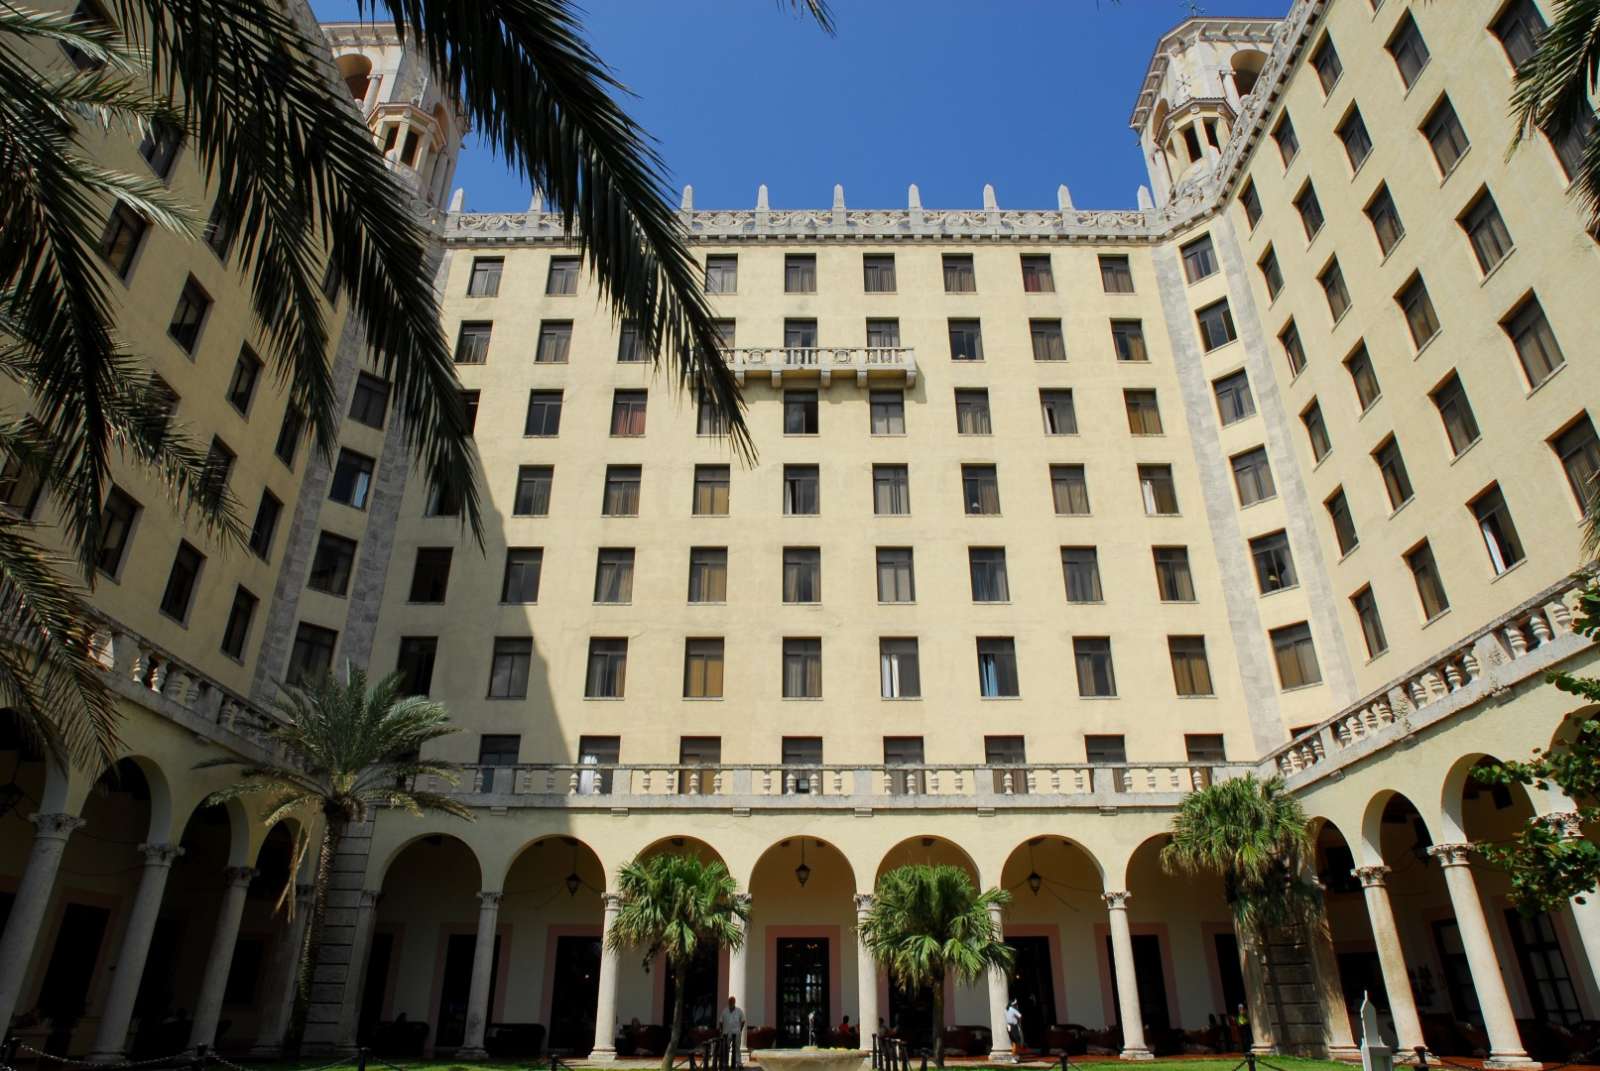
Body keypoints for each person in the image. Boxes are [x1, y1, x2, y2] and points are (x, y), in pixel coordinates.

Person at [719, 995, 746, 1068]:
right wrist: (721, 1031)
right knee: (726, 1048)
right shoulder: (725, 1011)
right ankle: (725, 1063)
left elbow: (743, 1020)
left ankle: (739, 1063)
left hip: (736, 1033)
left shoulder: (739, 1011)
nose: (731, 1003)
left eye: (732, 1002)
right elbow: (720, 1022)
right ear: (728, 1002)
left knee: (737, 1048)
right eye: (730, 1002)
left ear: (734, 1002)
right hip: (726, 1033)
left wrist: (740, 1029)